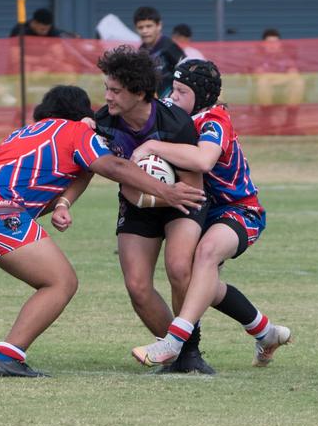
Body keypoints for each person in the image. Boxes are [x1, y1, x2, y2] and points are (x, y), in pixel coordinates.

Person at [0, 85, 204, 377]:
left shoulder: (24, 132)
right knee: (60, 281)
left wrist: (61, 205)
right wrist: (166, 191)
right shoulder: (74, 130)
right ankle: (7, 356)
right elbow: (113, 166)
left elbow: (49, 181)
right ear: (79, 113)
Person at [62, 45, 214, 373]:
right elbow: (88, 167)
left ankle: (190, 351)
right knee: (137, 286)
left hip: (182, 200)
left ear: (140, 92)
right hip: (138, 203)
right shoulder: (103, 123)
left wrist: (162, 196)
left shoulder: (175, 123)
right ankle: (172, 349)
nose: (108, 97)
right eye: (106, 88)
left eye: (115, 90)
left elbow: (193, 188)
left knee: (178, 268)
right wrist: (64, 203)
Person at [130, 59, 291, 369]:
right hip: (204, 212)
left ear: (201, 96)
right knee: (201, 284)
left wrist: (153, 146)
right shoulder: (176, 111)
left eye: (180, 92)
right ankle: (266, 332)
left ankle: (173, 342)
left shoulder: (214, 119)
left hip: (240, 210)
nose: (172, 97)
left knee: (205, 255)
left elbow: (204, 160)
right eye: (172, 90)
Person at [133, 6, 184, 98]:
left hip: (174, 101)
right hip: (153, 102)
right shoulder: (141, 52)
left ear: (159, 25)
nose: (145, 31)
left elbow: (187, 70)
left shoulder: (169, 46)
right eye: (140, 27)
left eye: (149, 26)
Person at [253, 28, 305, 106]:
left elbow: (294, 72)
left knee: (298, 82)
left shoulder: (286, 56)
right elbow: (258, 75)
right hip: (267, 84)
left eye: (275, 42)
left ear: (280, 44)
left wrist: (277, 79)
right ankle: (267, 112)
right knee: (263, 82)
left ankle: (291, 112)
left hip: (284, 84)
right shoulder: (258, 57)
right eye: (269, 42)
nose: (272, 45)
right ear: (263, 44)